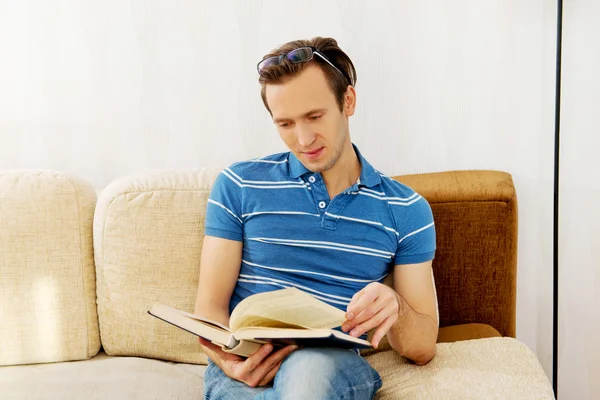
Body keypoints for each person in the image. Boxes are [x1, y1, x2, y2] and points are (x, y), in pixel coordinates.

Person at [195, 37, 439, 400]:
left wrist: (397, 309)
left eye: (314, 116)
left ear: (348, 101)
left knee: (308, 373)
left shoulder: (406, 209)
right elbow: (210, 311)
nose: (303, 139)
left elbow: (422, 347)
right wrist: (228, 362)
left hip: (329, 369)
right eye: (286, 124)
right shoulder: (239, 184)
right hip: (244, 374)